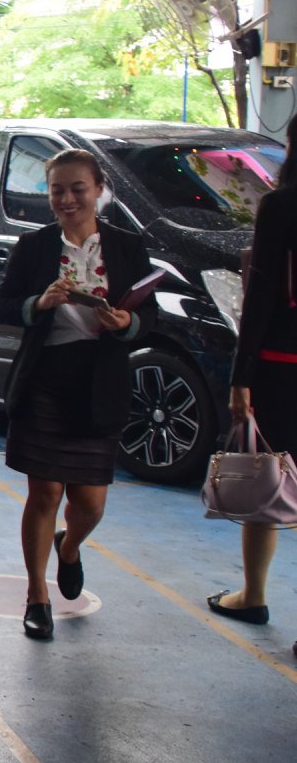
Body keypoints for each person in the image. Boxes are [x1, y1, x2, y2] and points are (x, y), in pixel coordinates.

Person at [0, 148, 157, 641]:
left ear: (98, 189)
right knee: (44, 492)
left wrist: (126, 323)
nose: (67, 199)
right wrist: (38, 303)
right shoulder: (34, 246)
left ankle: (68, 547)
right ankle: (36, 595)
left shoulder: (127, 246)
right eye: (57, 190)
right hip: (45, 377)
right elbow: (4, 306)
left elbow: (150, 317)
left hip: (99, 381)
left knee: (90, 504)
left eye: (77, 189)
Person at [207, 116, 297, 649]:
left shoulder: (282, 206)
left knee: (269, 474)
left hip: (280, 365)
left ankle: (254, 595)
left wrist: (241, 378)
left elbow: (260, 292)